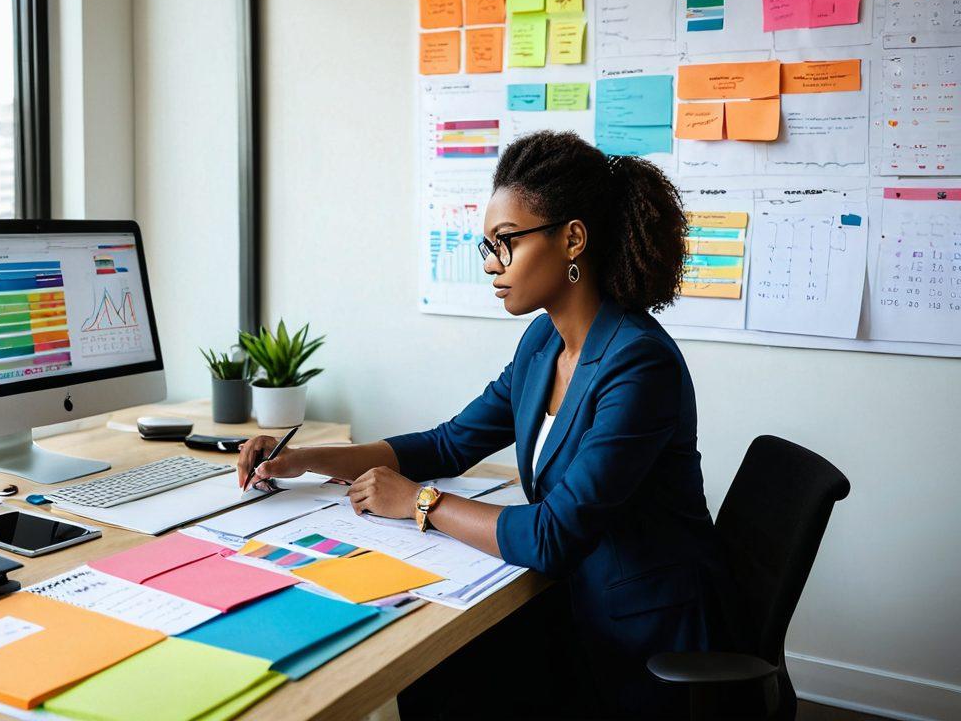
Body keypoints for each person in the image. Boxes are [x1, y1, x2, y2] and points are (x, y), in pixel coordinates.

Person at [236, 131, 742, 719]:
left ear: (573, 239)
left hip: (641, 639)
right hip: (576, 603)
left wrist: (420, 503)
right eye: (487, 246)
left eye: (506, 243)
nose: (492, 265)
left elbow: (554, 536)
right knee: (437, 671)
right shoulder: (543, 342)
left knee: (447, 673)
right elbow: (449, 443)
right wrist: (309, 458)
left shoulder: (639, 364)